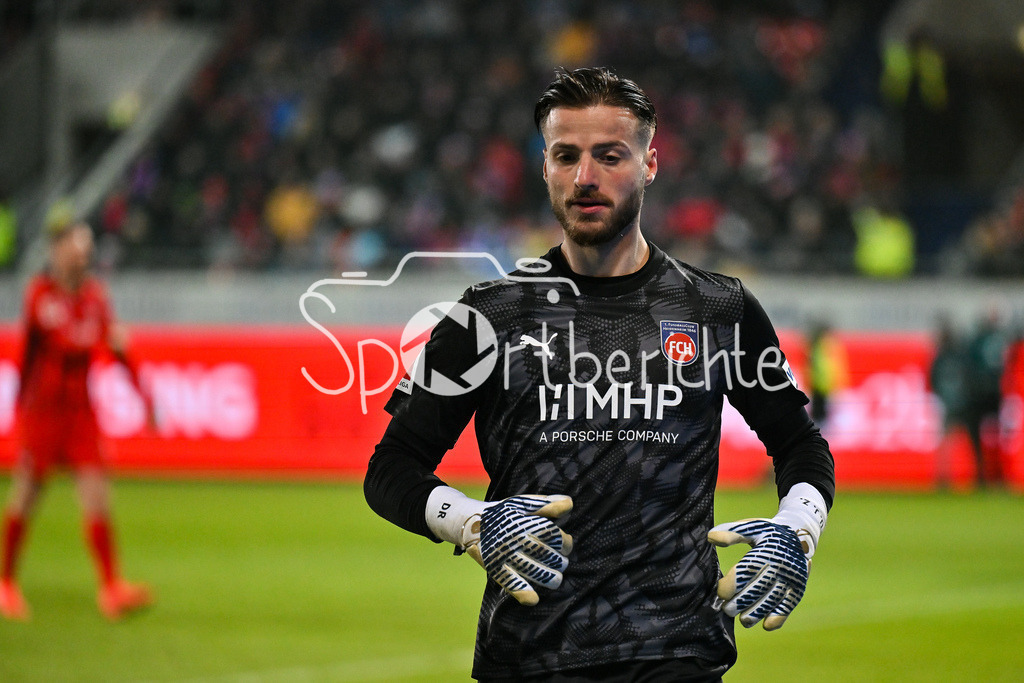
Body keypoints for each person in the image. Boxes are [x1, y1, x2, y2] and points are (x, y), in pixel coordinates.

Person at [364, 67, 835, 682]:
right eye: (566, 156)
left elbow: (800, 445)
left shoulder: (719, 309)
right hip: (530, 657)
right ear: (545, 168)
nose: (585, 178)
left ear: (649, 164)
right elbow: (392, 467)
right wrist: (475, 524)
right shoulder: (489, 315)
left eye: (610, 156)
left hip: (679, 656)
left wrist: (796, 532)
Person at [0, 213, 154, 621]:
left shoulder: (95, 298)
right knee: (27, 495)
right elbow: (31, 353)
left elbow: (117, 348)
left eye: (86, 247)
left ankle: (110, 587)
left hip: (80, 411)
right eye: (76, 245)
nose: (83, 254)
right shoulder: (40, 295)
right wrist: (20, 410)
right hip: (44, 410)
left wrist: (146, 398)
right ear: (58, 250)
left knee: (97, 495)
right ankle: (6, 582)